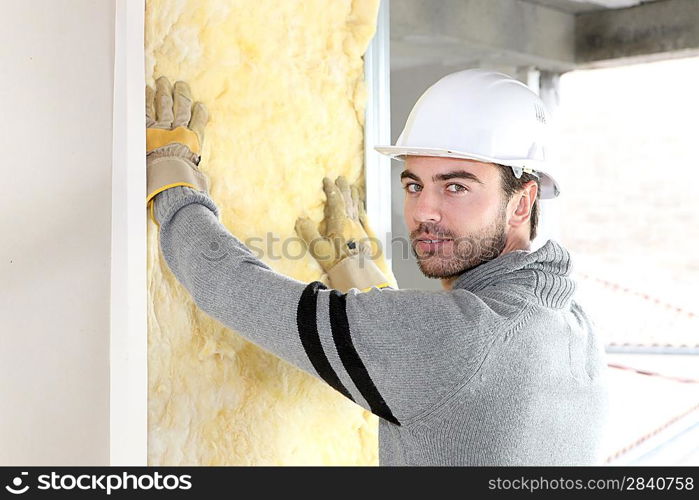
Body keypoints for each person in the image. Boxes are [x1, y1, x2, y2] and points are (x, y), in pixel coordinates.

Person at [144, 69, 609, 466]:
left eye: (455, 188)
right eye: (413, 185)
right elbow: (440, 374)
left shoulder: (462, 339)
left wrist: (172, 176)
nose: (424, 210)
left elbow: (227, 284)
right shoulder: (574, 330)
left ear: (521, 201)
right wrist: (358, 276)